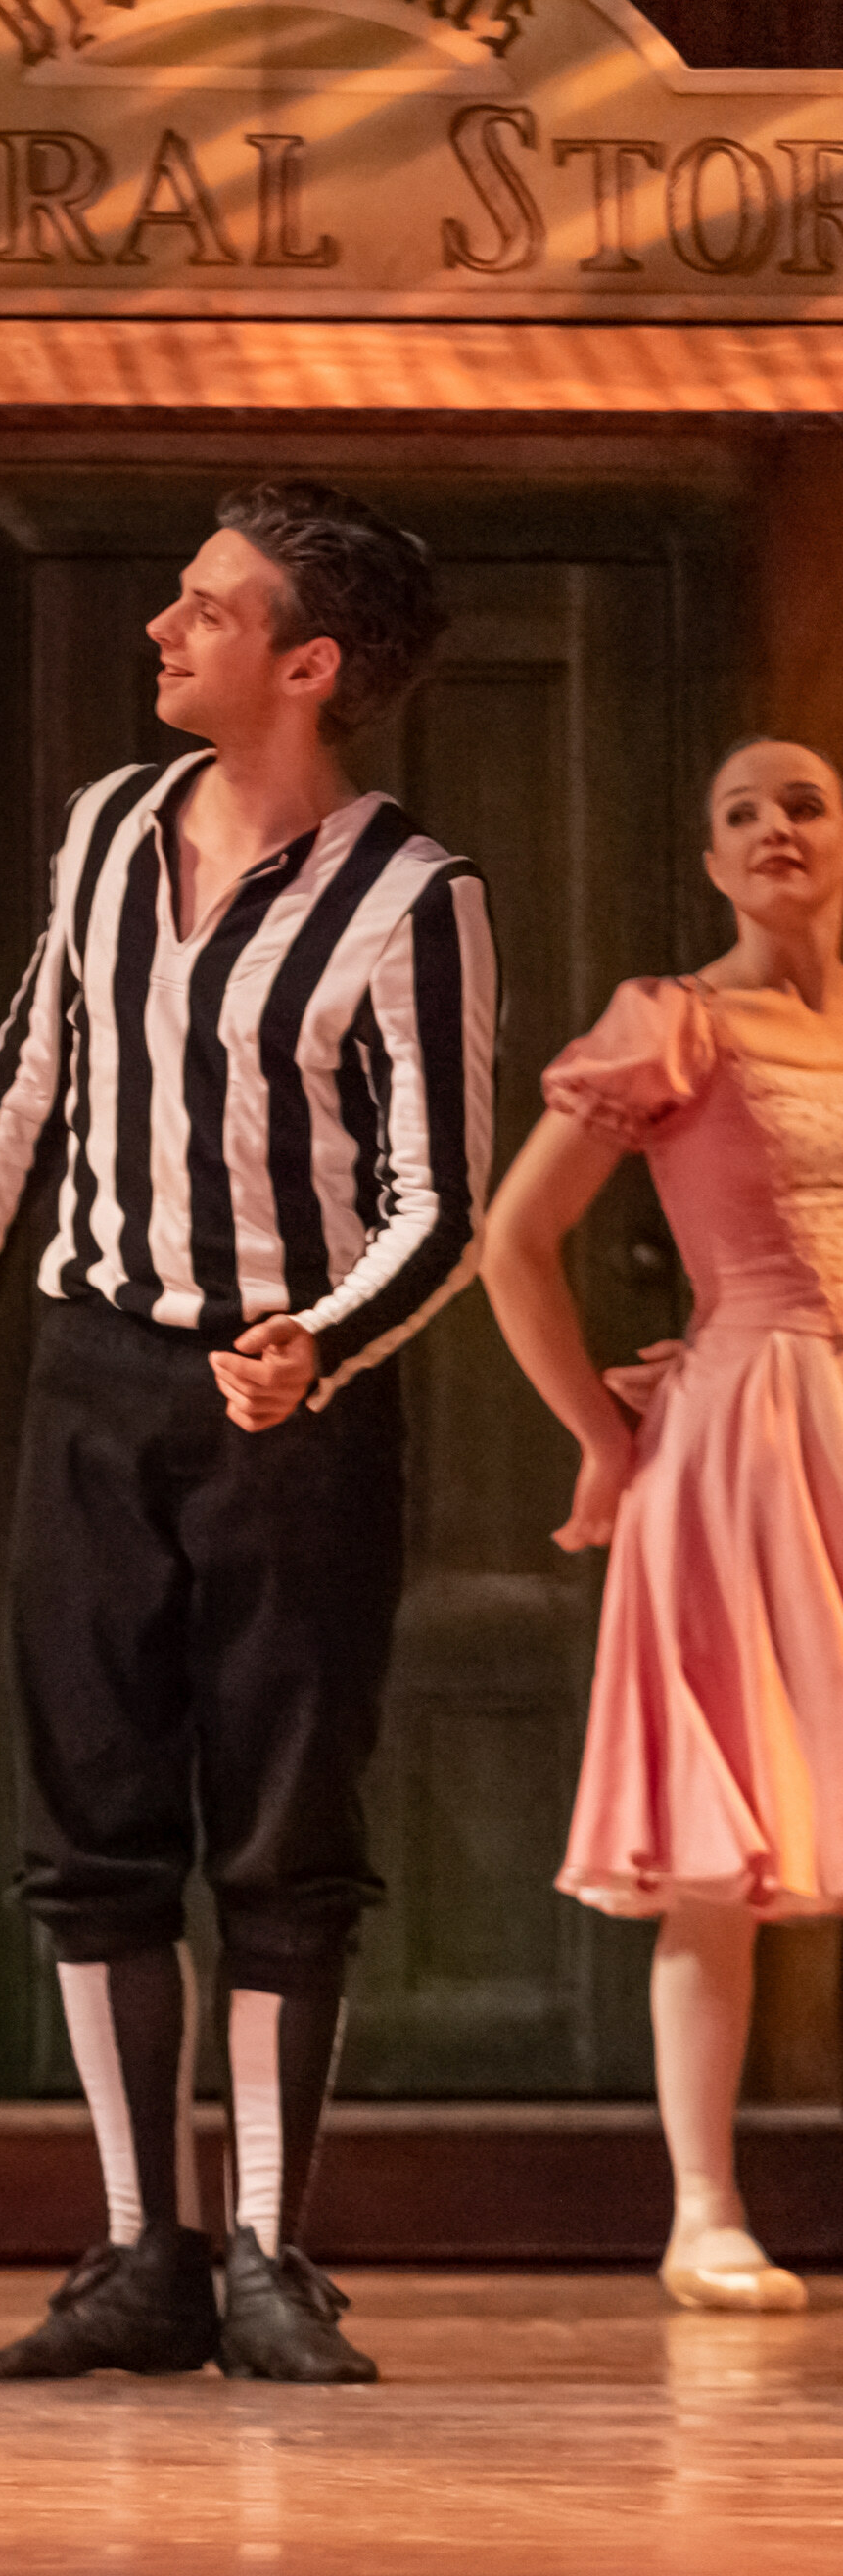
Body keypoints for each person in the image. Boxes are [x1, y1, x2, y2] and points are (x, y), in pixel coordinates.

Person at [0, 480, 490, 2387]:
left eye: (208, 609)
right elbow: (23, 1082)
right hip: (92, 1382)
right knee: (91, 1821)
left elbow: (441, 1199)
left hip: (285, 1413)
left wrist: (323, 1339)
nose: (162, 628)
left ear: (305, 667)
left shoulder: (412, 899)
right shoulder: (105, 829)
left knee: (285, 1830)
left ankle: (266, 2254)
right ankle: (138, 2246)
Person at [478, 734, 843, 2315]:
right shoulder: (677, 1023)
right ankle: (704, 2208)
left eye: (804, 802)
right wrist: (603, 1434)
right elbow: (514, 1238)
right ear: (710, 861)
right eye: (740, 812)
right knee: (722, 1835)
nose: (774, 827)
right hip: (748, 1436)